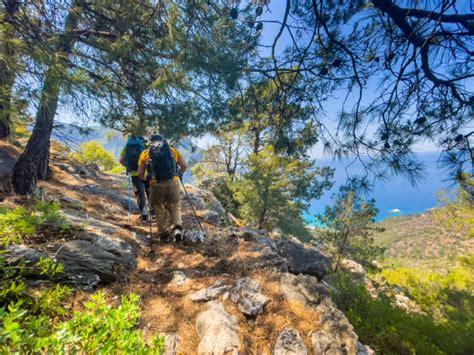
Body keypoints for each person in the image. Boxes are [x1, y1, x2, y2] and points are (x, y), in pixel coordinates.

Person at [138, 134, 187, 242]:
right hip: (173, 182)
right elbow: (184, 166)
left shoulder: (145, 153)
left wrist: (148, 179)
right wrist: (178, 173)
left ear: (150, 142)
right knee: (174, 205)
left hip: (155, 184)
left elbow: (140, 173)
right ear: (162, 141)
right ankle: (177, 228)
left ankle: (164, 235)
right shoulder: (172, 150)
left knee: (158, 207)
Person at [120, 135, 149, 221]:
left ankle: (144, 214)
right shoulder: (146, 146)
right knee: (149, 191)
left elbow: (121, 160)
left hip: (134, 173)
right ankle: (153, 211)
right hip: (146, 173)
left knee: (140, 193)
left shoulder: (127, 146)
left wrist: (128, 166)